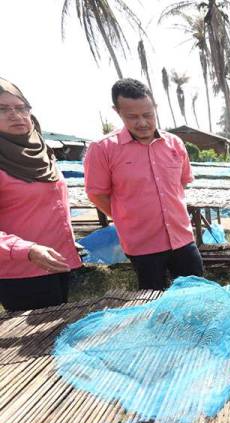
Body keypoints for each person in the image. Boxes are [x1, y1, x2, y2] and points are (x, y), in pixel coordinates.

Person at [84, 78, 203, 290]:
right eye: (133, 117)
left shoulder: (174, 144)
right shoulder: (102, 149)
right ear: (118, 112)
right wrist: (125, 216)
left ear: (155, 108)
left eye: (148, 115)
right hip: (142, 244)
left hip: (182, 237)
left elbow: (181, 184)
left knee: (195, 293)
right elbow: (97, 194)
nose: (142, 123)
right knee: (152, 298)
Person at [0, 78, 81, 311]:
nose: (15, 115)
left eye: (21, 107)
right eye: (3, 109)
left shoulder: (42, 152)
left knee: (58, 330)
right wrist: (27, 250)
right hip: (21, 273)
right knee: (38, 344)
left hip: (58, 262)